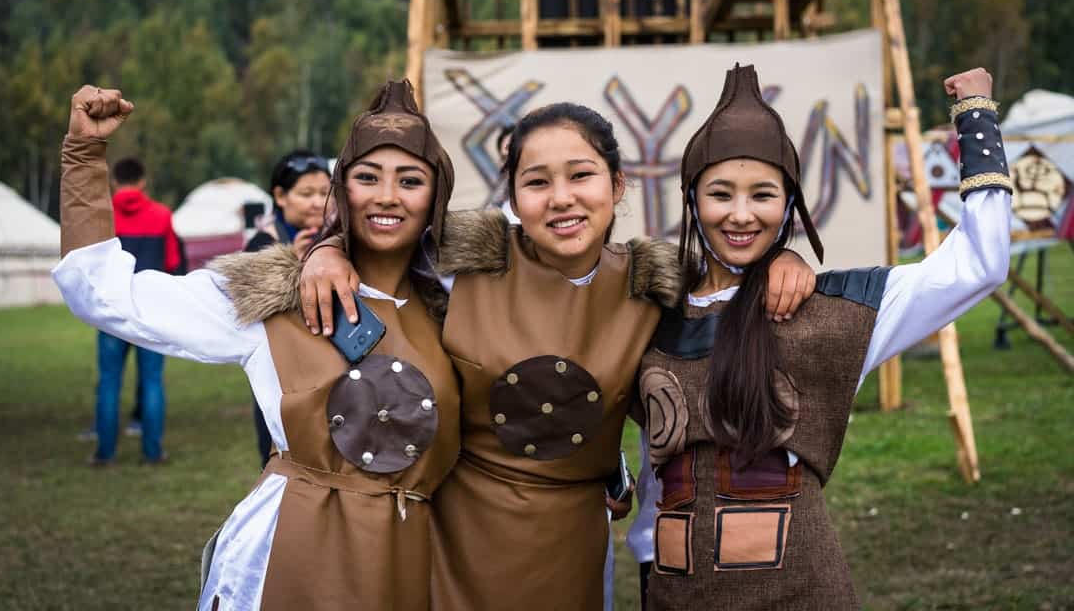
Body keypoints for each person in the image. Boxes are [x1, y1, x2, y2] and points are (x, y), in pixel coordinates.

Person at [299, 102, 818, 611]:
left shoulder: (655, 282)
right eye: (538, 182)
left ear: (616, 185)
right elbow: (382, 231)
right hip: (460, 534)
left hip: (576, 534)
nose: (561, 199)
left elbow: (726, 281)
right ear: (514, 195)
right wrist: (328, 248)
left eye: (581, 175)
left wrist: (783, 257)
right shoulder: (465, 262)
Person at [54, 80, 460, 610]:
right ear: (342, 192)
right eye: (366, 177)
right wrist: (84, 155)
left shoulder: (461, 308)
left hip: (412, 559)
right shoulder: (269, 295)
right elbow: (104, 295)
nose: (386, 196)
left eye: (410, 180)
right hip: (284, 557)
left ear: (437, 197)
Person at [636, 65, 1011, 609]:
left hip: (800, 593)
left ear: (788, 205)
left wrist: (976, 118)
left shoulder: (834, 313)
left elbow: (978, 264)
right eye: (720, 193)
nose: (741, 214)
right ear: (692, 200)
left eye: (762, 194)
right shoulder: (652, 315)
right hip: (675, 594)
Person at [78, 156, 181, 465]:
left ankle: (104, 453)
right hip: (150, 310)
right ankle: (153, 452)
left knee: (109, 380)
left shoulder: (102, 216)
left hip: (111, 311)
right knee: (152, 380)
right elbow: (174, 263)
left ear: (114, 182)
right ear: (143, 182)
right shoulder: (162, 215)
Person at [244, 150, 330, 468]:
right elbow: (250, 313)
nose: (316, 202)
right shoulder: (261, 244)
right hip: (279, 377)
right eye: (306, 194)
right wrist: (291, 263)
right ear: (280, 196)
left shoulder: (338, 240)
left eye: (324, 193)